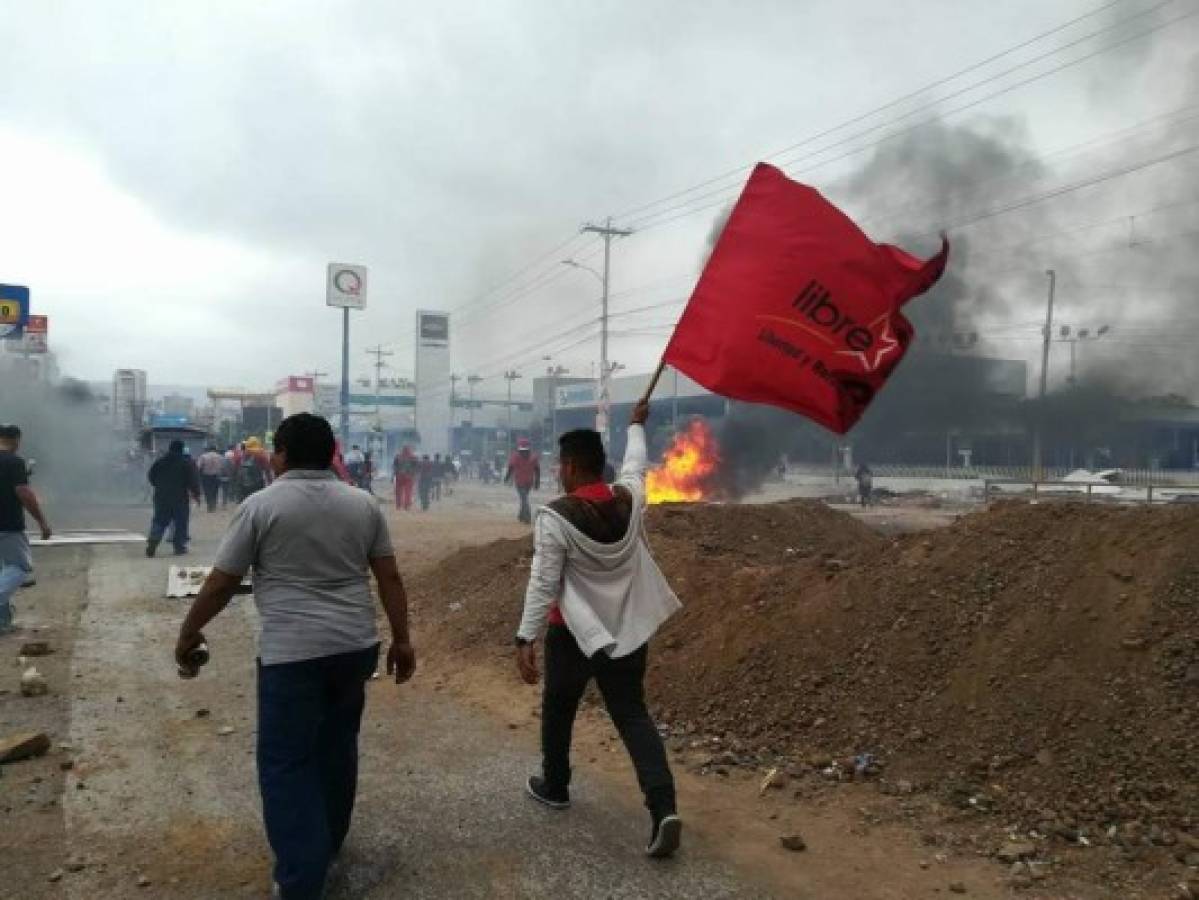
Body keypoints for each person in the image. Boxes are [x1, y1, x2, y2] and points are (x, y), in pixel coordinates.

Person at [174, 413, 415, 900]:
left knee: (286, 762)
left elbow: (221, 581)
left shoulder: (261, 506)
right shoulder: (362, 504)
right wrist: (402, 639)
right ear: (331, 454)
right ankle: (327, 842)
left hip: (291, 655)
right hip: (354, 647)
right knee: (337, 743)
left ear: (280, 456)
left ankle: (301, 879)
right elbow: (389, 576)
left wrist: (189, 630)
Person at [514, 400, 683, 858]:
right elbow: (635, 466)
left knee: (559, 707)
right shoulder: (629, 500)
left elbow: (544, 580)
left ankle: (555, 784)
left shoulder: (554, 517)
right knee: (632, 714)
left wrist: (525, 637)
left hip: (572, 633)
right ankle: (663, 807)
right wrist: (636, 428)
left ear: (569, 467)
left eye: (558, 465)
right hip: (627, 629)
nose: (555, 472)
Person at [0, 425, 52, 635]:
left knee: (4, 572)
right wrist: (42, 521)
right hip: (7, 525)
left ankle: (2, 621)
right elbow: (23, 493)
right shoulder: (14, 461)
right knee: (19, 568)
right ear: (15, 440)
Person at [147, 439, 201, 557]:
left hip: (161, 497)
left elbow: (151, 476)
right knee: (180, 522)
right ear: (181, 449)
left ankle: (152, 543)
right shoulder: (186, 463)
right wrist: (197, 495)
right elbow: (193, 481)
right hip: (179, 498)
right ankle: (179, 547)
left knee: (159, 520)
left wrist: (159, 486)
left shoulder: (160, 462)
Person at [504, 438, 541, 524]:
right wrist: (507, 477)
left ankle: (522, 516)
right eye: (522, 451)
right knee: (524, 499)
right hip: (519, 482)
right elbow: (511, 468)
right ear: (519, 450)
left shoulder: (533, 457)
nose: (524, 453)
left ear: (529, 449)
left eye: (526, 451)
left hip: (529, 483)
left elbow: (537, 470)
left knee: (524, 499)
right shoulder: (515, 456)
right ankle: (526, 516)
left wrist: (537, 482)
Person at [197, 445, 226, 513]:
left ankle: (209, 506)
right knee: (215, 491)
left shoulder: (203, 456)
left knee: (207, 491)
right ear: (215, 449)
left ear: (208, 449)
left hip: (206, 476)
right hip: (216, 476)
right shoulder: (220, 457)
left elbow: (198, 467)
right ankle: (213, 505)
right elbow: (223, 467)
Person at [392, 446, 416, 511]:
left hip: (399, 476)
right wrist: (414, 475)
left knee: (398, 492)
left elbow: (394, 467)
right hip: (409, 476)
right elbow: (416, 468)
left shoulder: (398, 457)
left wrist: (394, 475)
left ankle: (398, 505)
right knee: (408, 492)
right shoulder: (413, 457)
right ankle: (406, 505)